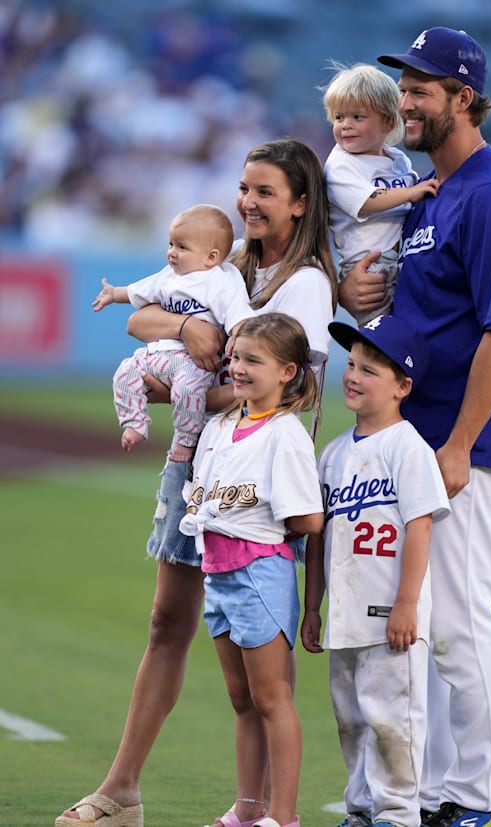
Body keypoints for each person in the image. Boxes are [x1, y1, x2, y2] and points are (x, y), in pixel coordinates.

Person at [56, 137, 338, 827]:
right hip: (199, 465)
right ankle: (123, 791)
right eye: (244, 188)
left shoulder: (305, 284)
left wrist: (188, 388)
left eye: (265, 192)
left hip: (257, 480)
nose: (248, 202)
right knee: (166, 622)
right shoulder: (228, 258)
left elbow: (290, 388)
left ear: (301, 204)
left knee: (261, 675)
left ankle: (268, 810)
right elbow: (138, 317)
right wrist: (187, 328)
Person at [338, 27, 491, 827]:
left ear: (464, 97)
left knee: (457, 623)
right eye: (404, 87)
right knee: (413, 630)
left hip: (469, 445)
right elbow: (423, 318)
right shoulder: (433, 192)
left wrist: (458, 444)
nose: (406, 102)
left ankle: (476, 796)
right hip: (414, 441)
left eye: (421, 88)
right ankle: (423, 795)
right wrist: (362, 301)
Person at [301, 314, 450, 827]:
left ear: (402, 386)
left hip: (391, 615)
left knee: (392, 719)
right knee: (352, 719)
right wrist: (312, 607)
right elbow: (318, 541)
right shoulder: (332, 454)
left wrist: (407, 604)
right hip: (345, 614)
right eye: (352, 364)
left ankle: (398, 814)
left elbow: (420, 527)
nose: (353, 376)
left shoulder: (409, 448)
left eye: (370, 370)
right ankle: (362, 810)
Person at [180, 312, 324, 827]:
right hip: (218, 573)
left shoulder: (286, 434)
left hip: (260, 572)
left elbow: (308, 519)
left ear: (287, 372)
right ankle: (247, 810)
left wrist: (264, 522)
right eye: (236, 358)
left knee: (271, 698)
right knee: (242, 699)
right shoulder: (221, 426)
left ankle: (282, 816)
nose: (238, 368)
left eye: (253, 361)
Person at [92, 203, 254, 461]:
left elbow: (238, 311)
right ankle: (135, 422)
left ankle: (186, 441)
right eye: (170, 244)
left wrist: (237, 335)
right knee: (125, 372)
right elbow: (139, 291)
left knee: (188, 391)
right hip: (158, 352)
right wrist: (114, 294)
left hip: (193, 361)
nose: (172, 253)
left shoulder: (221, 279)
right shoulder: (169, 276)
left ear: (211, 257)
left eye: (182, 247)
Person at [321, 62, 438, 326]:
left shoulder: (397, 159)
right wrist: (410, 193)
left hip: (400, 255)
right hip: (368, 266)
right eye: (339, 117)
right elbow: (366, 202)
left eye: (357, 117)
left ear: (388, 122)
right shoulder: (340, 165)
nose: (346, 125)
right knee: (383, 336)